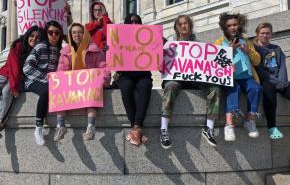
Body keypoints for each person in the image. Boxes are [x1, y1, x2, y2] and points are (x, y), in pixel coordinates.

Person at [160, 15, 221, 149]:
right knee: (171, 86)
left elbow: (210, 65)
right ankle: (164, 129)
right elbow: (162, 66)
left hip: (195, 78)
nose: (183, 26)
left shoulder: (200, 45)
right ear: (176, 27)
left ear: (190, 26)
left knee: (215, 87)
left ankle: (209, 128)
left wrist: (225, 67)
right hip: (176, 78)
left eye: (186, 23)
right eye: (180, 24)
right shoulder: (169, 44)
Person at [54, 23, 111, 142]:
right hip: (72, 84)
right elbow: (61, 70)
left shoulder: (95, 50)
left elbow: (103, 68)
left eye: (79, 32)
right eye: (74, 32)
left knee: (91, 93)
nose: (77, 35)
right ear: (70, 35)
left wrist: (103, 80)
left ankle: (91, 126)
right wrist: (58, 80)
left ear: (85, 34)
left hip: (88, 83)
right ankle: (61, 126)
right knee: (58, 90)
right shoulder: (65, 52)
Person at [215, 13, 262, 141]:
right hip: (230, 77)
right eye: (229, 25)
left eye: (235, 24)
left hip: (247, 76)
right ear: (225, 27)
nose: (233, 27)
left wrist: (249, 52)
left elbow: (257, 61)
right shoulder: (219, 43)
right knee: (234, 90)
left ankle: (249, 120)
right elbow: (217, 63)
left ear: (239, 25)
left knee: (256, 89)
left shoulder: (246, 41)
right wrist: (230, 51)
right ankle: (229, 125)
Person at [113, 14, 153, 147]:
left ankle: (135, 128)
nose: (134, 24)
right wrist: (110, 51)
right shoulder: (119, 39)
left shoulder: (149, 38)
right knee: (126, 88)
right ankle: (137, 129)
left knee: (145, 86)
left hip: (143, 75)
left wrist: (159, 42)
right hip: (125, 75)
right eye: (131, 22)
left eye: (137, 22)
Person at [23, 20, 63, 146]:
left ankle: (60, 125)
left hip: (52, 82)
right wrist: (46, 78)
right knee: (46, 91)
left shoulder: (60, 50)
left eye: (57, 32)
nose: (54, 35)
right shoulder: (40, 46)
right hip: (32, 80)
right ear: (47, 33)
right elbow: (26, 68)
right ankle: (38, 128)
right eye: (51, 32)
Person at [254, 23, 290, 139]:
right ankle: (272, 128)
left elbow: (282, 66)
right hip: (266, 81)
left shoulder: (276, 49)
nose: (265, 35)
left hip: (280, 81)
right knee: (269, 93)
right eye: (262, 33)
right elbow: (259, 70)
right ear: (257, 34)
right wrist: (276, 81)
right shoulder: (254, 49)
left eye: (268, 33)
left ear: (271, 34)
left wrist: (283, 81)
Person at [0, 26, 41, 127]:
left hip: (20, 79)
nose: (34, 39)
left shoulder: (38, 50)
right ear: (27, 35)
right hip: (8, 74)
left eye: (37, 37)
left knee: (6, 93)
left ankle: (1, 121)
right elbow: (14, 67)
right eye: (32, 36)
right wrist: (14, 87)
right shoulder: (18, 45)